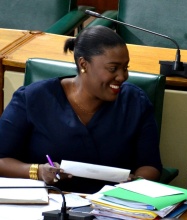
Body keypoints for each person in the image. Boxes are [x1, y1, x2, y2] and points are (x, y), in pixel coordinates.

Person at [0, 26, 162, 193]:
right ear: (83, 64)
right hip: (48, 201)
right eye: (113, 69)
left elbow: (150, 165)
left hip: (112, 208)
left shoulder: (135, 102)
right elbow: (2, 159)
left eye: (125, 68)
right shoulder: (33, 98)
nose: (122, 76)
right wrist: (38, 171)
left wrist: (134, 186)